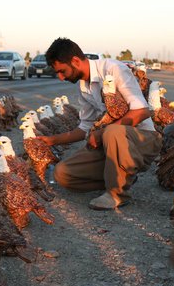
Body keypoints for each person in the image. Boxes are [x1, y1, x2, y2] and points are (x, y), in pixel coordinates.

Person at [37, 38, 161, 210]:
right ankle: (122, 176)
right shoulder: (84, 87)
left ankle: (117, 194)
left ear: (75, 61)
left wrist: (102, 133)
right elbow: (85, 128)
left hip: (143, 140)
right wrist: (51, 140)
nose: (60, 77)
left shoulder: (113, 69)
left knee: (112, 131)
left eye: (62, 71)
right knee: (62, 173)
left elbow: (142, 111)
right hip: (113, 145)